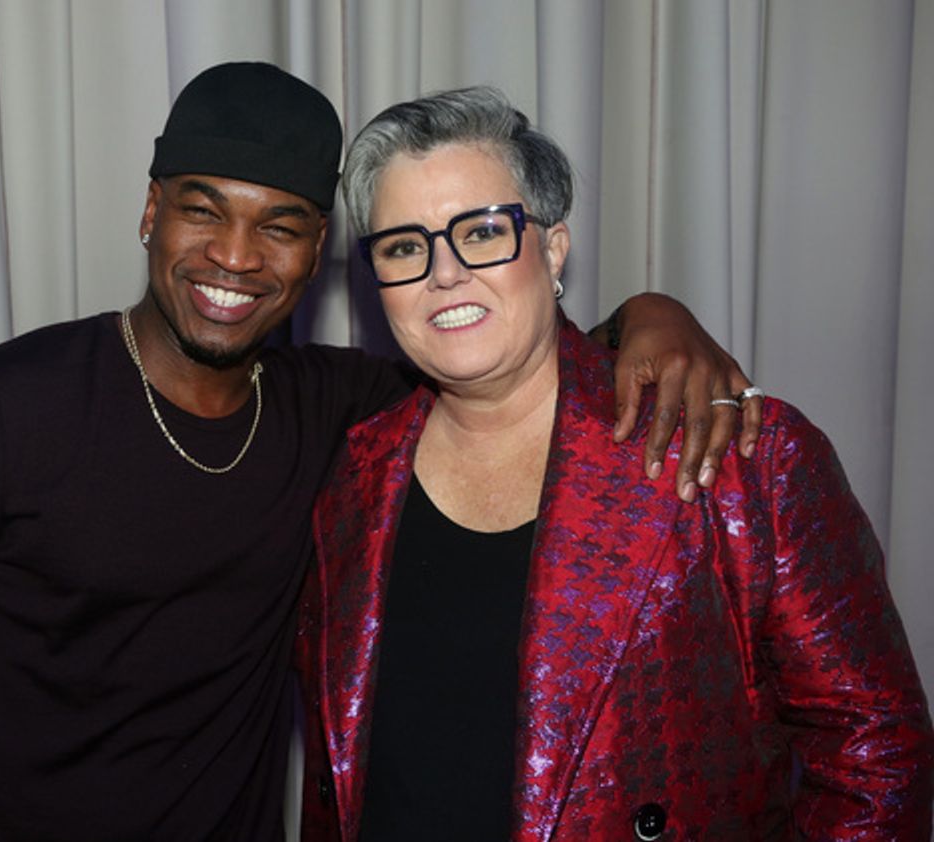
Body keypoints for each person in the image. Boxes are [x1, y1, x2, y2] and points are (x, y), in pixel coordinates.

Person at [0, 64, 761, 841]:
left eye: (279, 226)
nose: (235, 257)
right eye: (203, 211)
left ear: (318, 253)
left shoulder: (341, 410)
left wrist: (655, 315)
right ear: (151, 211)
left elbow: (510, 353)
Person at [297, 87, 934, 841]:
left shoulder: (741, 456)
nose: (445, 272)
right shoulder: (354, 475)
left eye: (483, 231)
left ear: (553, 249)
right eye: (404, 246)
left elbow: (875, 753)